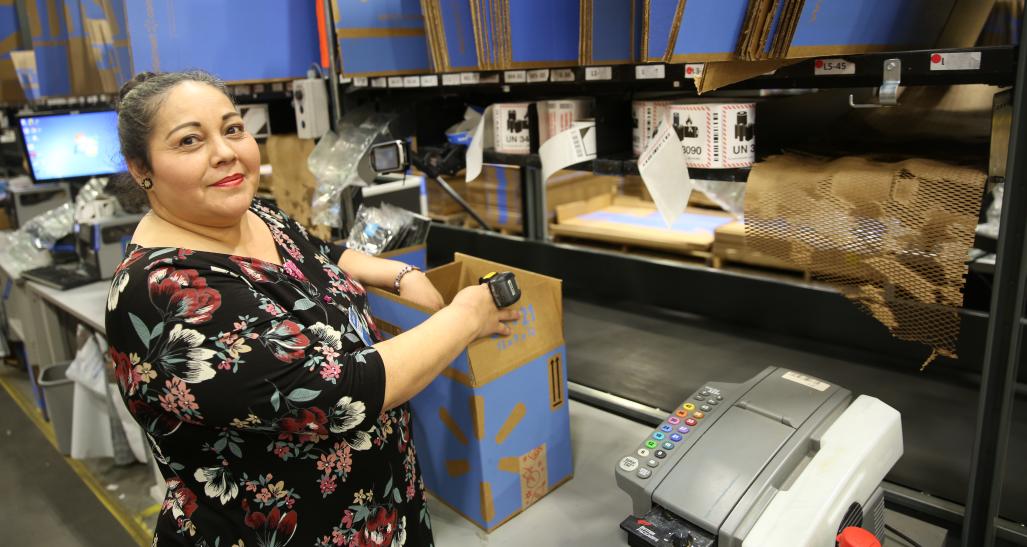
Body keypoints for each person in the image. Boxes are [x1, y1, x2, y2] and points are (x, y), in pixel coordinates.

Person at [105, 70, 518, 547]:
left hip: (379, 510)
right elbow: (338, 396)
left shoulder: (253, 214)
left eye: (233, 128)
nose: (225, 152)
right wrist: (467, 316)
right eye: (190, 140)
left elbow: (318, 252)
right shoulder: (162, 292)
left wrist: (397, 273)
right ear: (141, 168)